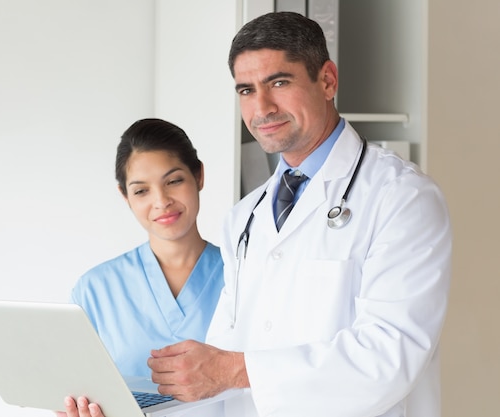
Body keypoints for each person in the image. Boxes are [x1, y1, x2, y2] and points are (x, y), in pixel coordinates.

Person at [144, 11, 452, 417]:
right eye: (246, 90)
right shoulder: (244, 218)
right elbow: (216, 378)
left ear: (327, 80)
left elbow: (389, 357)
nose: (262, 107)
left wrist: (237, 369)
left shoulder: (403, 198)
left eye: (279, 82)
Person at [57, 118, 224, 416]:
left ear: (198, 176)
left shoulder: (243, 275)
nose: (161, 201)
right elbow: (72, 391)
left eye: (173, 181)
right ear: (125, 197)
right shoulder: (96, 289)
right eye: (141, 191)